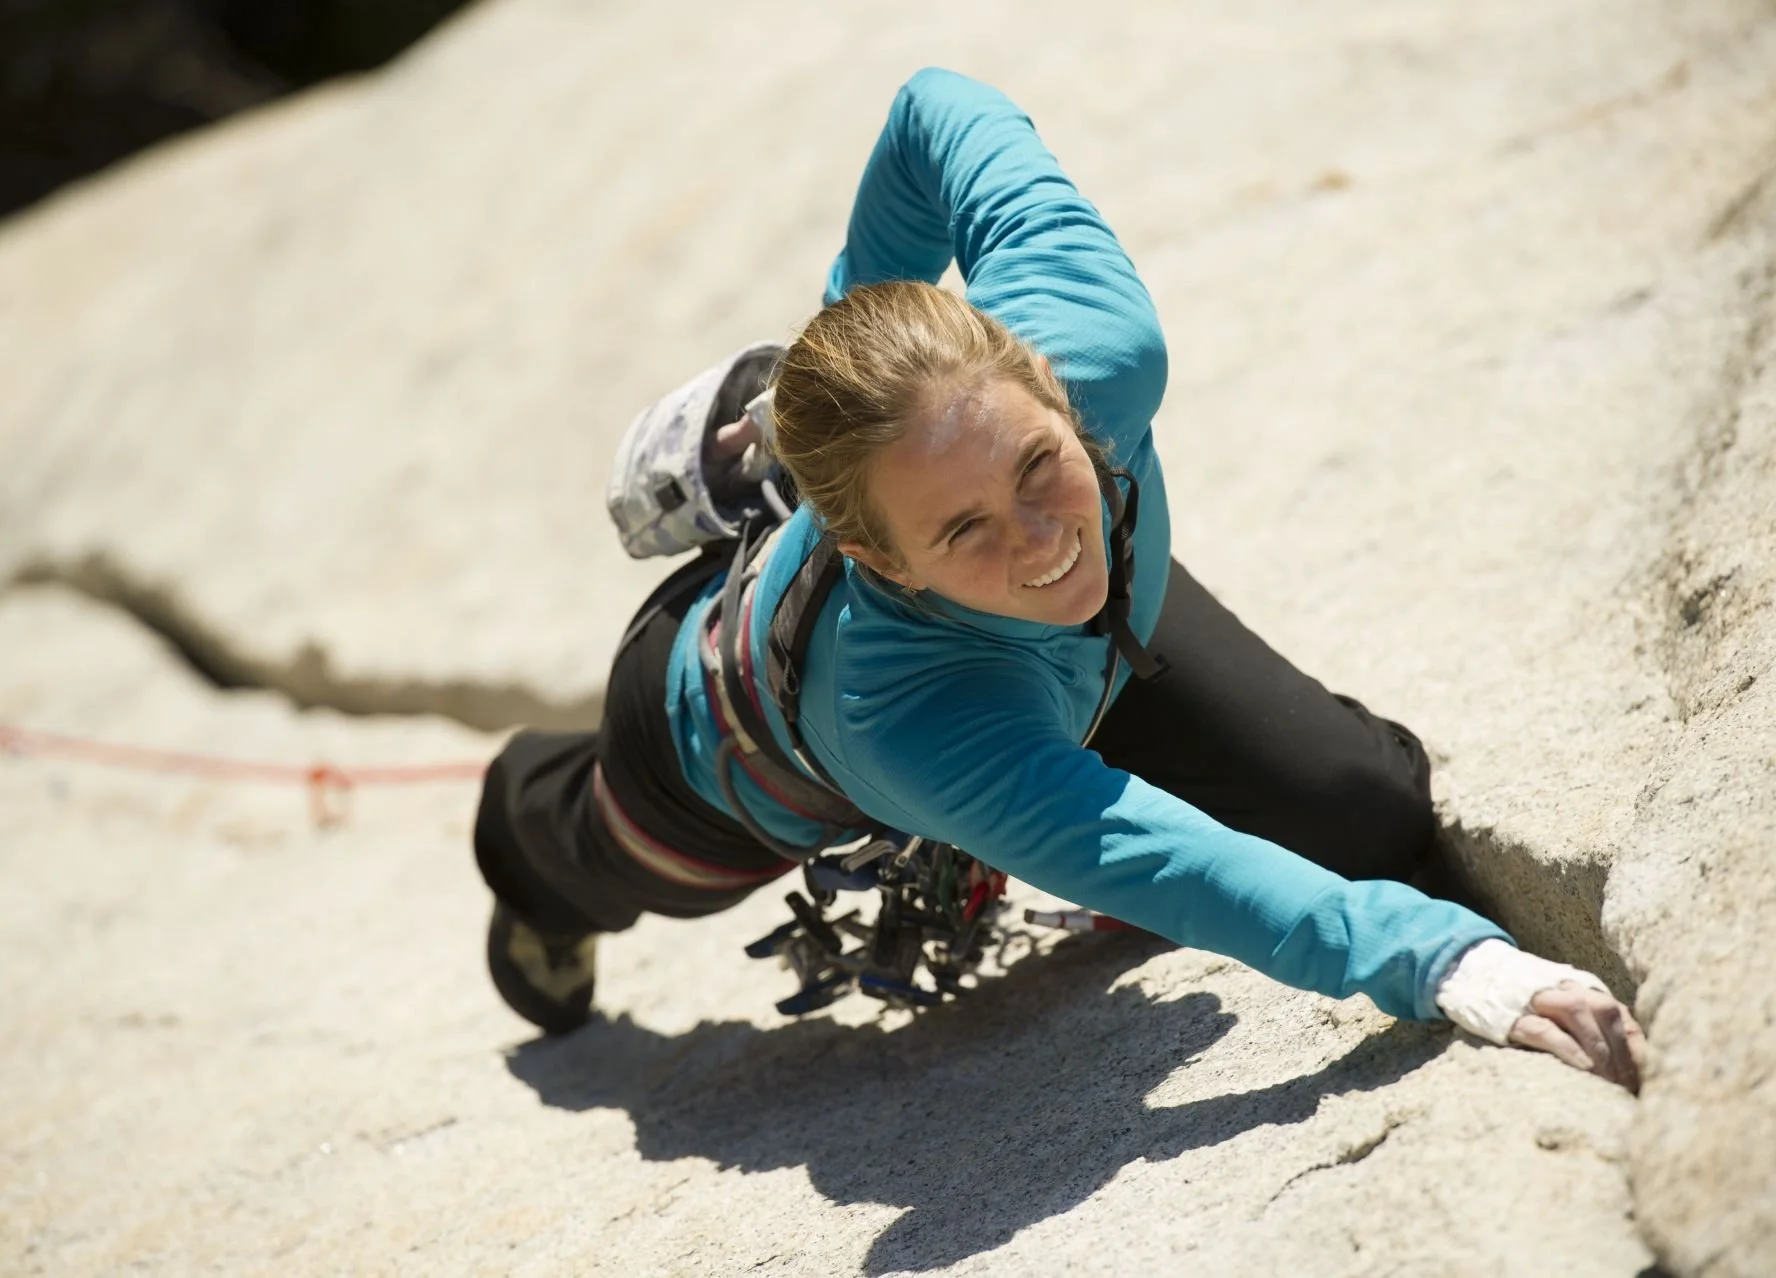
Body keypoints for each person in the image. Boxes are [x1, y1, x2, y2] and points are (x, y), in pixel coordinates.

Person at [472, 68, 1646, 1090]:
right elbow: (1178, 866)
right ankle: (531, 830)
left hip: (1079, 648)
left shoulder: (1096, 341)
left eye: (1041, 462)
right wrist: (1444, 962)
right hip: (722, 736)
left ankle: (957, 544)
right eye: (965, 526)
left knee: (1365, 809)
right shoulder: (906, 715)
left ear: (1049, 382)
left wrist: (856, 325)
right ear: (879, 554)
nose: (1036, 540)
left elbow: (934, 104)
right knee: (626, 864)